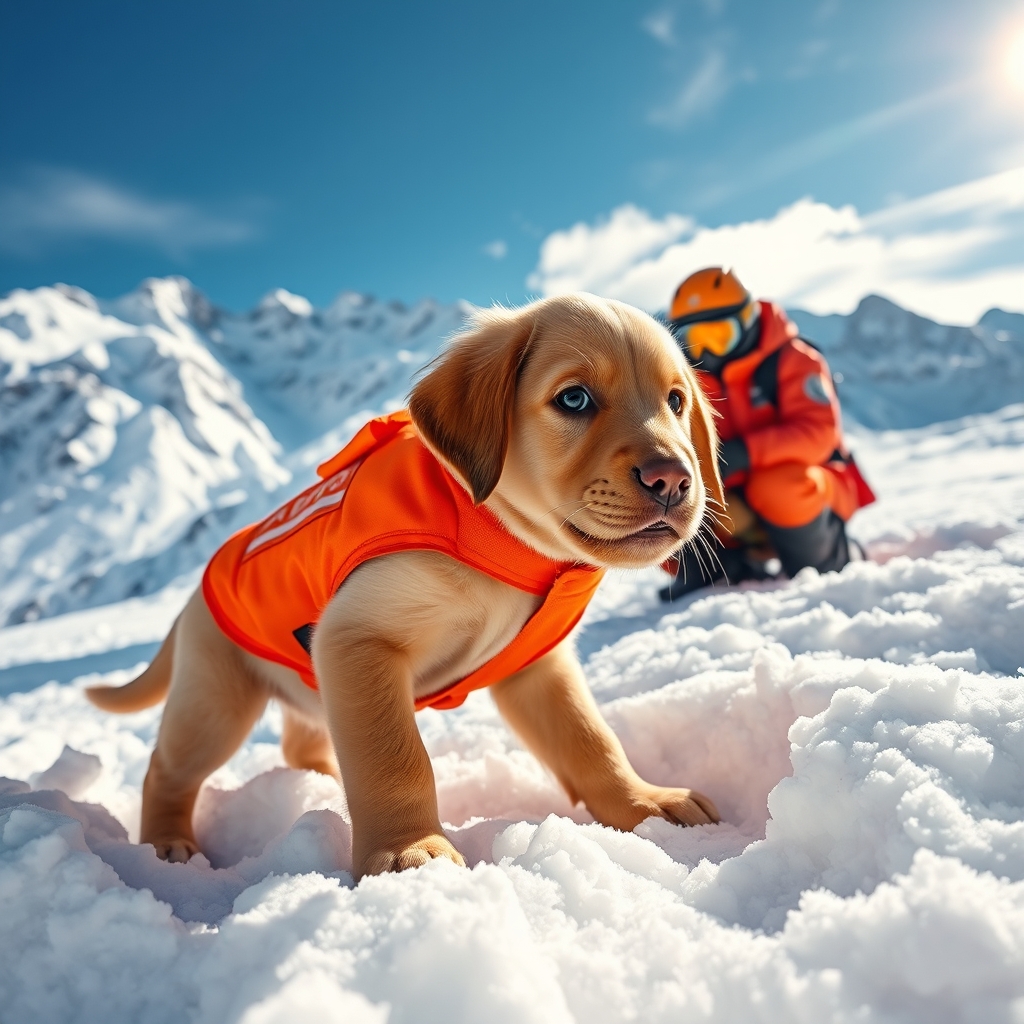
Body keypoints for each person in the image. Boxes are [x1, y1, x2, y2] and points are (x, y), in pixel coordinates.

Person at [660, 267, 875, 601]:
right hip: (735, 493)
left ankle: (833, 558)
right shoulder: (686, 378)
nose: (710, 352)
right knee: (671, 491)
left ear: (748, 320)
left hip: (811, 485)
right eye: (697, 340)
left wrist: (743, 453)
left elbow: (818, 433)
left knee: (778, 487)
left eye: (721, 336)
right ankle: (721, 570)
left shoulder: (793, 360)